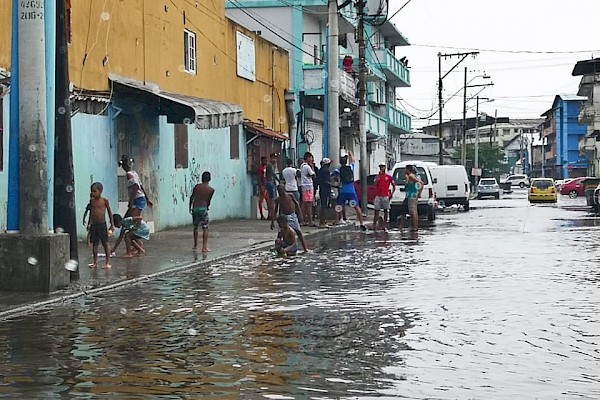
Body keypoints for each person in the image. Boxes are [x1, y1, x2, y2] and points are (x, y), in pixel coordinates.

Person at [271, 184, 308, 252]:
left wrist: (300, 215)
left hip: (292, 216)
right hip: (283, 217)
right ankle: (278, 249)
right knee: (280, 234)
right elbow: (275, 210)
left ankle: (305, 249)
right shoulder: (278, 200)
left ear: (284, 190)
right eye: (280, 192)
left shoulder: (290, 196)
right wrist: (272, 221)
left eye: (282, 192)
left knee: (299, 232)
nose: (281, 194)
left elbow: (296, 204)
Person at [336, 151, 366, 230]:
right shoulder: (350, 167)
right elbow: (353, 160)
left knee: (338, 205)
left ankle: (338, 220)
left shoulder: (339, 169)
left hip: (343, 191)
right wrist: (350, 154)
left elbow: (333, 175)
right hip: (351, 191)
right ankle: (361, 222)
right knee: (356, 207)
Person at [88, 182, 114, 268]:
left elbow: (110, 212)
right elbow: (91, 212)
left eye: (94, 191)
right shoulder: (91, 201)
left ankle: (108, 262)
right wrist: (89, 223)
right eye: (91, 191)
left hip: (102, 224)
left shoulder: (104, 200)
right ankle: (95, 262)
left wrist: (112, 224)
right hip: (94, 225)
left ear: (100, 191)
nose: (92, 193)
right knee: (95, 244)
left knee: (105, 243)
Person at [189, 171, 215, 253]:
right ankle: (204, 247)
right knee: (205, 228)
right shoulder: (211, 190)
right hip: (203, 209)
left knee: (195, 227)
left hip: (195, 208)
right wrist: (207, 207)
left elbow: (192, 197)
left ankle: (195, 245)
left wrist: (190, 207)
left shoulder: (197, 187)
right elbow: (208, 201)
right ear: (209, 179)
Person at [400, 164, 424, 232]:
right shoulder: (410, 176)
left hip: (412, 195)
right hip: (412, 195)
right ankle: (414, 227)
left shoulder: (411, 176)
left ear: (408, 169)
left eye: (405, 169)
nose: (405, 170)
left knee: (413, 212)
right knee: (413, 212)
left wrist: (419, 193)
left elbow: (421, 183)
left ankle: (415, 227)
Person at [373, 163, 396, 230]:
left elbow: (394, 185)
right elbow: (374, 184)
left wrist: (391, 193)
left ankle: (385, 224)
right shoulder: (377, 177)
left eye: (382, 167)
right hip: (378, 195)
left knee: (386, 210)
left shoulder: (388, 177)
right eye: (380, 167)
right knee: (376, 210)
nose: (381, 168)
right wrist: (378, 178)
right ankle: (374, 224)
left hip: (385, 196)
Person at [300, 152, 316, 227]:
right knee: (308, 205)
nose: (312, 159)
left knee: (304, 204)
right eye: (311, 157)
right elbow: (313, 175)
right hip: (308, 187)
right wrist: (312, 167)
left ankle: (303, 220)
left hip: (304, 186)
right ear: (308, 158)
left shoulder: (302, 166)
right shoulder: (307, 167)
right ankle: (309, 221)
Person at [316, 158, 333, 228]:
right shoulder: (326, 171)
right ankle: (322, 223)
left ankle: (323, 221)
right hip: (325, 190)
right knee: (324, 207)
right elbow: (326, 182)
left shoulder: (320, 171)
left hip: (321, 190)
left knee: (323, 206)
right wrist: (334, 185)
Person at [265, 153, 280, 220]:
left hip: (271, 183)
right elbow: (273, 174)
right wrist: (278, 180)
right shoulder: (269, 165)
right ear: (271, 158)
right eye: (273, 158)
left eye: (275, 158)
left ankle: (270, 214)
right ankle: (271, 214)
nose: (275, 160)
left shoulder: (272, 165)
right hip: (270, 183)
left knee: (272, 199)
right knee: (272, 199)